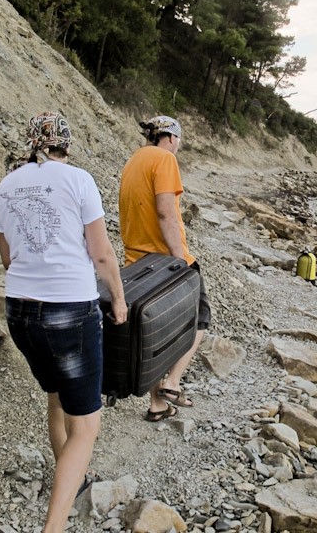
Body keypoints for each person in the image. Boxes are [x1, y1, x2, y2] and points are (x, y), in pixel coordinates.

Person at [0, 112, 127, 533]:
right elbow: (102, 254)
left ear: (32, 143)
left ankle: (71, 479)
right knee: (86, 424)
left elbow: (9, 258)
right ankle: (53, 527)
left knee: (56, 397)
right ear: (66, 144)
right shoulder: (78, 180)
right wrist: (119, 301)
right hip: (68, 311)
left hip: (19, 311)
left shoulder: (4, 186)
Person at [118, 115, 211, 422]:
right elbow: (166, 213)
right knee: (199, 319)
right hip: (164, 262)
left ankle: (157, 405)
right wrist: (179, 261)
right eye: (179, 141)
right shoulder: (164, 159)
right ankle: (171, 384)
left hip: (136, 262)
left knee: (161, 331)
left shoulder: (134, 160)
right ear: (171, 137)